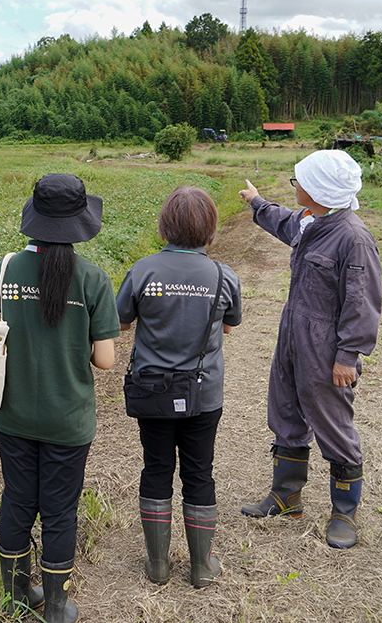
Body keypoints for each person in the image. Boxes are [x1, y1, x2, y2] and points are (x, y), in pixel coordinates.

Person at [0, 173, 119, 623]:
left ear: (33, 218)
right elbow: (106, 360)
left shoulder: (5, 271)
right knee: (59, 509)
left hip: (12, 416)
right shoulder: (93, 279)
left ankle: (18, 599)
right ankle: (56, 606)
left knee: (17, 500)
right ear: (80, 224)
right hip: (68, 421)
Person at [237, 149, 381, 549]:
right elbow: (285, 222)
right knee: (284, 410)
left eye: (298, 182)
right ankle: (286, 497)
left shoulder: (353, 238)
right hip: (292, 336)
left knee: (333, 425)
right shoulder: (312, 221)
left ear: (318, 191)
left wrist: (347, 356)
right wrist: (257, 202)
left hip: (326, 348)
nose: (295, 186)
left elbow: (361, 303)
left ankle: (344, 513)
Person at [115, 186, 242, 588]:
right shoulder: (224, 276)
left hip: (153, 393)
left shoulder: (143, 270)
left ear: (164, 224)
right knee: (199, 472)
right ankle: (202, 568)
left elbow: (121, 323)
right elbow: (227, 326)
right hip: (204, 394)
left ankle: (157, 566)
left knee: (156, 468)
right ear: (210, 229)